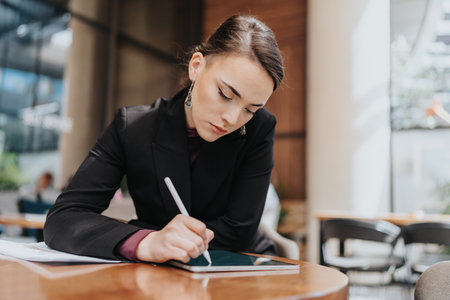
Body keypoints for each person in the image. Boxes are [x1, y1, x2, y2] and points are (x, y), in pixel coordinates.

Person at [44, 15, 284, 263]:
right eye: (225, 94)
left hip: (240, 263)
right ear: (196, 66)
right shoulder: (133, 128)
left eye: (250, 109)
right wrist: (146, 242)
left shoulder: (259, 128)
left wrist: (163, 238)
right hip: (157, 269)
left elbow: (241, 230)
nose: (232, 119)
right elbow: (64, 218)